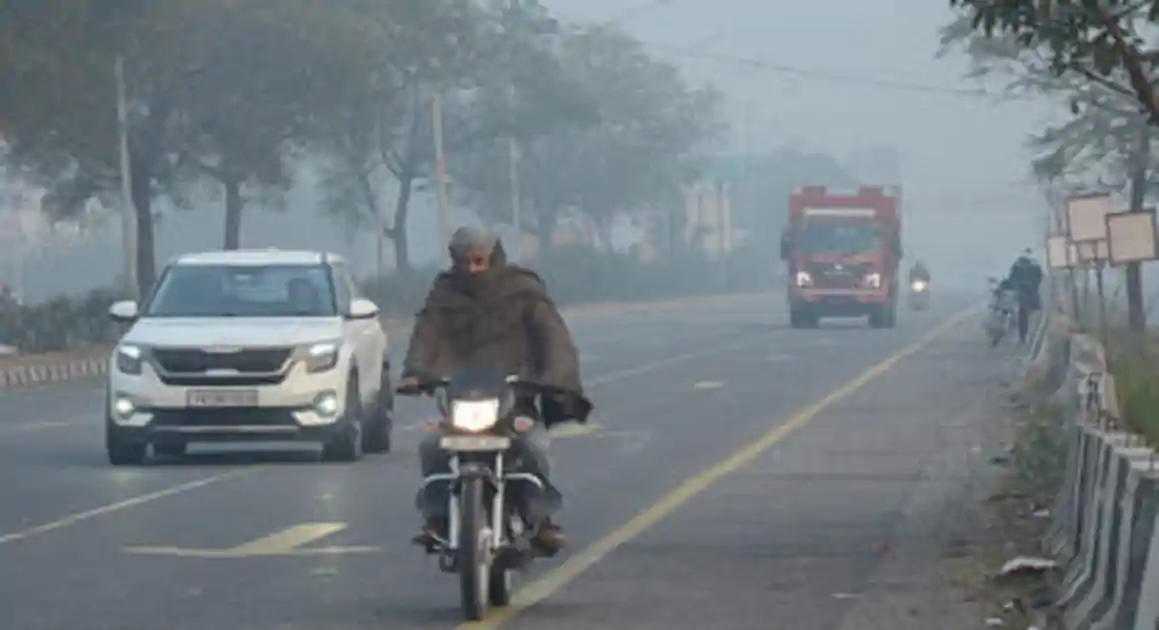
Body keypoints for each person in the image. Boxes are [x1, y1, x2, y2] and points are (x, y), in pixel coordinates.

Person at [400, 226, 592, 556]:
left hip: (514, 400)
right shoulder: (444, 293)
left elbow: (553, 336)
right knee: (432, 447)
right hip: (462, 400)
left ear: (494, 258)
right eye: (464, 262)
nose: (472, 270)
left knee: (534, 446)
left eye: (479, 261)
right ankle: (437, 519)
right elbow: (427, 332)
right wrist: (416, 373)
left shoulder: (523, 289)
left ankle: (542, 518)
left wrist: (555, 376)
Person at [1005, 249, 1044, 343]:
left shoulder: (1026, 267)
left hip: (1027, 294)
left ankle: (1026, 336)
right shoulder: (1022, 266)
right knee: (1025, 314)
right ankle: (1025, 336)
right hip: (1024, 293)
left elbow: (1038, 279)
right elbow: (1012, 278)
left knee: (1027, 315)